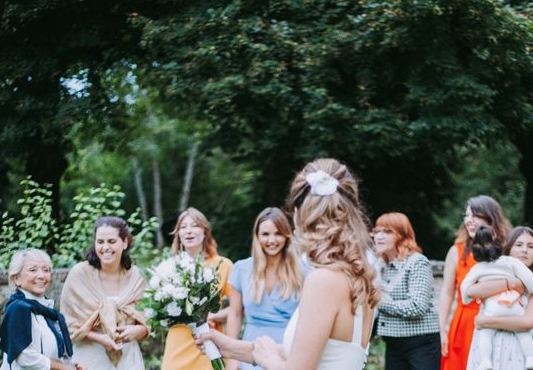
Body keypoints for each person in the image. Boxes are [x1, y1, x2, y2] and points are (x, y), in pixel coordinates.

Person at [196, 157, 380, 369]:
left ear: (298, 214)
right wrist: (231, 348)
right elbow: (307, 354)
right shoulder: (359, 277)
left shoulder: (323, 281)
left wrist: (268, 360)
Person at [60, 216, 148, 370]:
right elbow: (66, 323)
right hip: (89, 357)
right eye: (100, 242)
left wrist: (139, 330)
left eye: (111, 241)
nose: (105, 247)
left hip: (128, 358)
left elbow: (148, 318)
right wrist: (100, 338)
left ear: (125, 242)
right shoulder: (80, 274)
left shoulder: (137, 276)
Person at [226, 207, 304, 370]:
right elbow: (235, 314)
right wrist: (231, 358)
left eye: (278, 233)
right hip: (250, 352)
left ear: (286, 236)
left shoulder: (301, 271)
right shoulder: (242, 268)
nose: (272, 240)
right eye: (266, 234)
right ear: (257, 236)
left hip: (288, 354)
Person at [460, 226, 533, 370]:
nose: (524, 250)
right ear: (507, 247)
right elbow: (470, 291)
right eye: (518, 245)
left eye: (531, 246)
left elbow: (527, 322)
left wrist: (486, 321)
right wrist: (510, 283)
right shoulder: (489, 270)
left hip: (515, 349)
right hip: (486, 350)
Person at [439, 195, 510, 370]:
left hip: (495, 320)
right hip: (463, 324)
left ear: (490, 218)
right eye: (466, 216)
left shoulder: (506, 250)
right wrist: (442, 330)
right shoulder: (456, 251)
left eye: (475, 216)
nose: (469, 221)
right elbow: (447, 293)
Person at [161, 207, 233, 370]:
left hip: (208, 342)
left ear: (205, 231)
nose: (189, 231)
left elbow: (237, 309)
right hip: (177, 341)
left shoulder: (223, 265)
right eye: (183, 227)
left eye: (194, 225)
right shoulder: (169, 267)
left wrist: (211, 316)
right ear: (177, 233)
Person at [372, 212, 441, 370]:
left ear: (403, 236)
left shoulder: (417, 262)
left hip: (421, 344)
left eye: (387, 232)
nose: (379, 237)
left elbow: (417, 306)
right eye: (376, 231)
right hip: (393, 342)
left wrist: (379, 300)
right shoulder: (381, 266)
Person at [0, 248, 82, 370]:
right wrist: (63, 368)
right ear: (16, 278)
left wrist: (69, 365)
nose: (41, 276)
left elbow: (54, 350)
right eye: (33, 270)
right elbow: (25, 357)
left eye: (46, 270)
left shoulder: (49, 311)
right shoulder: (18, 309)